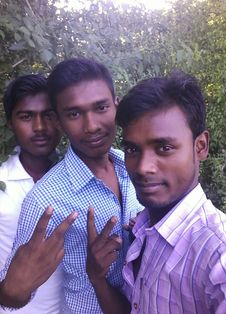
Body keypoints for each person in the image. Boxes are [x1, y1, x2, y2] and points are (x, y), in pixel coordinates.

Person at [0, 58, 142, 313]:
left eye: (101, 108)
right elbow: (15, 292)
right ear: (59, 120)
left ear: (116, 106)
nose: (91, 126)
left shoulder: (131, 165)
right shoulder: (45, 200)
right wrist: (13, 291)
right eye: (74, 114)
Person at [86, 72, 226, 313]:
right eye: (133, 149)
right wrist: (97, 277)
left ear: (200, 146)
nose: (143, 167)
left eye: (164, 148)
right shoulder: (145, 230)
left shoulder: (223, 257)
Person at [0, 74, 64, 313]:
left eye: (48, 115)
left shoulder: (78, 179)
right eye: (26, 116)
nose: (39, 127)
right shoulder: (2, 182)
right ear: (9, 122)